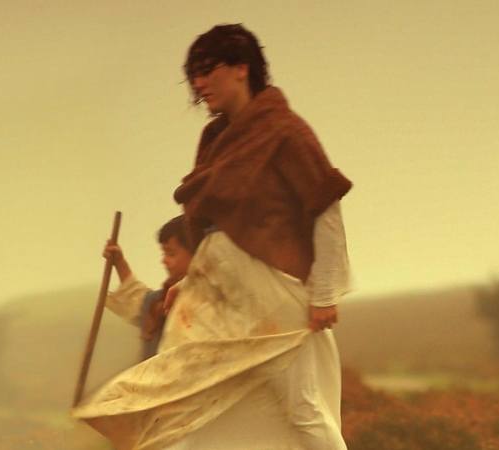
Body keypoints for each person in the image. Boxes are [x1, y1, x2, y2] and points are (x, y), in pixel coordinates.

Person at [72, 24, 351, 450]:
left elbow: (325, 208)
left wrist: (326, 292)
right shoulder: (215, 138)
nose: (199, 84)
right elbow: (213, 228)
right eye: (194, 75)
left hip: (271, 296)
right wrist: (192, 280)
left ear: (242, 68)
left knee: (303, 408)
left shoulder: (286, 131)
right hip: (218, 297)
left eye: (207, 70)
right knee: (191, 401)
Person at [103, 215, 192, 361]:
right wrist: (119, 263)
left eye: (171, 253)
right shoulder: (159, 301)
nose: (164, 260)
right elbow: (139, 300)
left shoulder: (210, 301)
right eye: (164, 253)